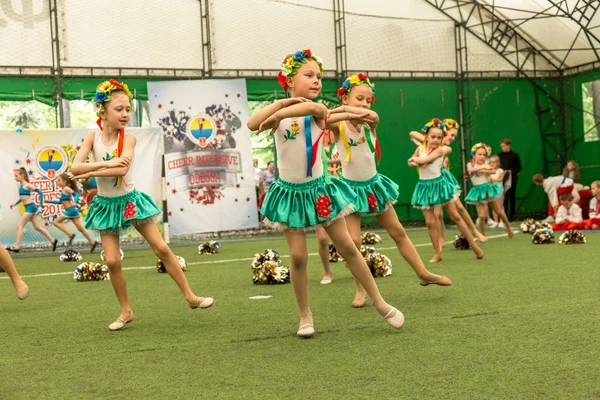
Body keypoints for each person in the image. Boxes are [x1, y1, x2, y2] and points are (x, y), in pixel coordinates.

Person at [248, 49, 404, 338]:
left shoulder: (317, 110)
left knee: (347, 247)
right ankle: (305, 315)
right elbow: (251, 123)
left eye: (319, 76)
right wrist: (280, 106)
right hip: (292, 194)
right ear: (289, 81)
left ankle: (379, 302)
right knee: (297, 257)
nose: (316, 80)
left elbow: (312, 111)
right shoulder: (279, 109)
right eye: (308, 75)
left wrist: (279, 113)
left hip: (321, 189)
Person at [71, 79, 213, 331]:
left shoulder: (130, 138)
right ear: (102, 110)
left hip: (130, 201)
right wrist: (104, 164)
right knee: (112, 261)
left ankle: (191, 296)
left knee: (161, 248)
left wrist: (91, 169)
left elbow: (122, 166)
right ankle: (126, 311)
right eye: (119, 109)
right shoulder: (92, 136)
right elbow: (75, 167)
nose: (126, 114)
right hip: (106, 204)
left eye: (128, 108)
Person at [328, 74, 451, 308]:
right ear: (345, 98)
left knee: (398, 232)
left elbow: (372, 116)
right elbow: (326, 117)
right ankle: (360, 288)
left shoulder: (370, 121)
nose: (365, 104)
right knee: (353, 241)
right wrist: (345, 107)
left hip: (373, 185)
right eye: (359, 98)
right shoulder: (338, 125)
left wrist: (357, 108)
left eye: (368, 99)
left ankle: (423, 273)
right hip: (349, 189)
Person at [409, 119, 484, 262]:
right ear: (426, 137)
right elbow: (411, 159)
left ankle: (474, 246)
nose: (436, 140)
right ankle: (437, 253)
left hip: (440, 185)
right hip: (424, 186)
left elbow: (422, 161)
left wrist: (417, 160)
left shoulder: (441, 150)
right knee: (430, 222)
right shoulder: (421, 149)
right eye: (433, 137)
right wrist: (415, 157)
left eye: (439, 137)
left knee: (455, 215)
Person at [465, 143, 513, 238]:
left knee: (499, 210)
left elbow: (493, 171)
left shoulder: (486, 164)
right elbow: (470, 170)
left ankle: (508, 227)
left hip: (488, 189)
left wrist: (485, 169)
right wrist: (482, 168)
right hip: (478, 190)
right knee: (482, 216)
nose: (482, 157)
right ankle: (482, 234)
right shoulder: (470, 164)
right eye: (479, 154)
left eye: (484, 155)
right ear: (474, 155)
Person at [7, 167, 58, 253]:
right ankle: (53, 241)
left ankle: (16, 247)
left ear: (22, 175)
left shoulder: (27, 185)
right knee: (37, 227)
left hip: (30, 207)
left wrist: (41, 203)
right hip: (29, 207)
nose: (15, 178)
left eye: (16, 176)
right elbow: (22, 198)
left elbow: (40, 192)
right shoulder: (22, 186)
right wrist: (15, 204)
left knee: (19, 226)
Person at [48, 173, 98, 252]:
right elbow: (60, 202)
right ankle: (93, 242)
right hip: (72, 211)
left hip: (70, 211)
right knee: (80, 229)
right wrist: (49, 201)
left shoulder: (66, 189)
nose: (57, 182)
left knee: (56, 222)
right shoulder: (64, 190)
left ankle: (70, 235)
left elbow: (76, 195)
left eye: (59, 180)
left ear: (64, 181)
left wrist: (74, 202)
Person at [497, 138, 521, 220]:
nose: (502, 148)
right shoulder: (499, 156)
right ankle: (504, 215)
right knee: (504, 197)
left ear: (508, 145)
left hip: (512, 179)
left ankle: (512, 215)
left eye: (504, 146)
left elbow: (519, 168)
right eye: (501, 146)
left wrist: (511, 171)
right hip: (502, 178)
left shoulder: (515, 155)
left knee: (512, 196)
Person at [488, 155, 506, 228]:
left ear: (498, 163)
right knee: (494, 207)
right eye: (491, 162)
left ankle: (501, 222)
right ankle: (496, 221)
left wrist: (493, 180)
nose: (492, 164)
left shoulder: (500, 170)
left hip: (499, 190)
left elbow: (500, 179)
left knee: (500, 207)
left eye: (494, 162)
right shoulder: (488, 171)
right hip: (492, 191)